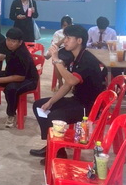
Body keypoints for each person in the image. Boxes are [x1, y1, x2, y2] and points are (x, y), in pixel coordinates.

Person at [31, 25, 104, 164]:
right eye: (65, 37)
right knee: (39, 105)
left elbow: (71, 80)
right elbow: (67, 85)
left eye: (68, 38)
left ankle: (59, 152)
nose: (65, 41)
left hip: (89, 107)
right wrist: (51, 101)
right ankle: (51, 145)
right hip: (77, 100)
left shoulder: (87, 60)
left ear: (79, 41)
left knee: (54, 116)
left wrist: (56, 59)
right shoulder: (76, 57)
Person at [0, 27, 39, 128]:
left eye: (13, 41)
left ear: (20, 42)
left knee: (10, 88)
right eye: (8, 40)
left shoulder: (23, 54)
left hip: (28, 79)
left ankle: (11, 115)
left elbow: (19, 78)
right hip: (10, 74)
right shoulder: (6, 44)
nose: (9, 43)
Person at [46, 16, 73, 91]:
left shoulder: (74, 33)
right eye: (64, 25)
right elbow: (54, 46)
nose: (66, 27)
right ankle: (60, 81)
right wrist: (63, 39)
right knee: (58, 62)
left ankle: (72, 82)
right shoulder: (58, 33)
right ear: (61, 26)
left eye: (68, 25)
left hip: (72, 51)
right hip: (61, 50)